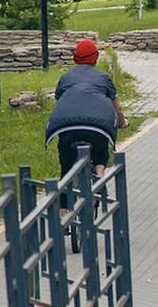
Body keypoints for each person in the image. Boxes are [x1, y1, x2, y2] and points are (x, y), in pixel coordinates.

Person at [45, 40, 129, 209]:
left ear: (76, 58)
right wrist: (122, 123)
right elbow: (117, 108)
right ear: (95, 58)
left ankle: (62, 213)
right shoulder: (104, 78)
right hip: (97, 128)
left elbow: (61, 100)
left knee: (66, 170)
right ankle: (99, 177)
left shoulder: (66, 77)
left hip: (66, 128)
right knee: (101, 150)